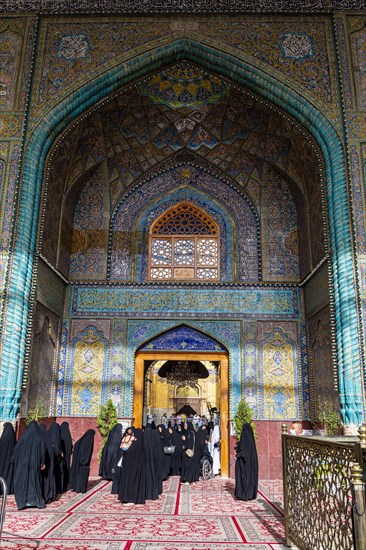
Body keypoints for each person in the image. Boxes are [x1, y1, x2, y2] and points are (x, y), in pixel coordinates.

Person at [12, 421, 46, 510]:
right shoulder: (39, 438)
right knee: (34, 482)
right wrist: (42, 463)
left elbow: (17, 450)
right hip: (35, 465)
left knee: (23, 482)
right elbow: (43, 452)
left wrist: (16, 460)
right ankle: (34, 501)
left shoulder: (23, 438)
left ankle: (23, 502)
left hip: (23, 465)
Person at [117, 427, 145, 505]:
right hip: (136, 467)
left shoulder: (135, 445)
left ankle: (131, 499)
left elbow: (127, 453)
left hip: (131, 467)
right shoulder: (139, 444)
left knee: (131, 481)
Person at [235, 423, 258, 501]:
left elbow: (244, 452)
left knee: (245, 478)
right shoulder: (251, 440)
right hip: (251, 463)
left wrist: (237, 456)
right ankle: (250, 494)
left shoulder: (245, 439)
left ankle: (244, 494)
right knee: (250, 477)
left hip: (244, 464)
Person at [69, 429, 95, 493]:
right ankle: (80, 489)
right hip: (83, 463)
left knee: (77, 474)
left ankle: (76, 487)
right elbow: (85, 452)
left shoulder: (82, 441)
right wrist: (84, 462)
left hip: (78, 462)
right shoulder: (88, 441)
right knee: (82, 475)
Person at [0, 422, 16, 494]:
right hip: (10, 463)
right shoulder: (14, 441)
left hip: (2, 463)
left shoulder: (2, 440)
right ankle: (8, 489)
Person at [60, 421, 73, 491]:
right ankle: (66, 484)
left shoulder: (60, 436)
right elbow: (71, 447)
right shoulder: (68, 437)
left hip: (61, 458)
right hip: (67, 458)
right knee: (66, 468)